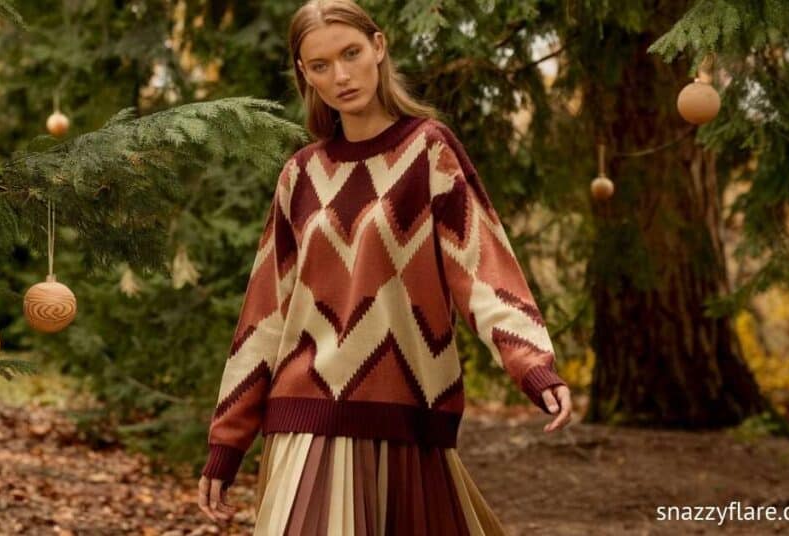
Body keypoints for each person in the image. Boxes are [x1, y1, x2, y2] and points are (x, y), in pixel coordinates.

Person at [198, 1, 573, 534]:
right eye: (321, 65)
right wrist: (227, 439)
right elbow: (267, 311)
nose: (342, 76)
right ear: (305, 74)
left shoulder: (427, 152)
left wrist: (531, 363)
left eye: (351, 53)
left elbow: (482, 269)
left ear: (379, 46)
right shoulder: (300, 175)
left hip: (406, 412)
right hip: (307, 413)